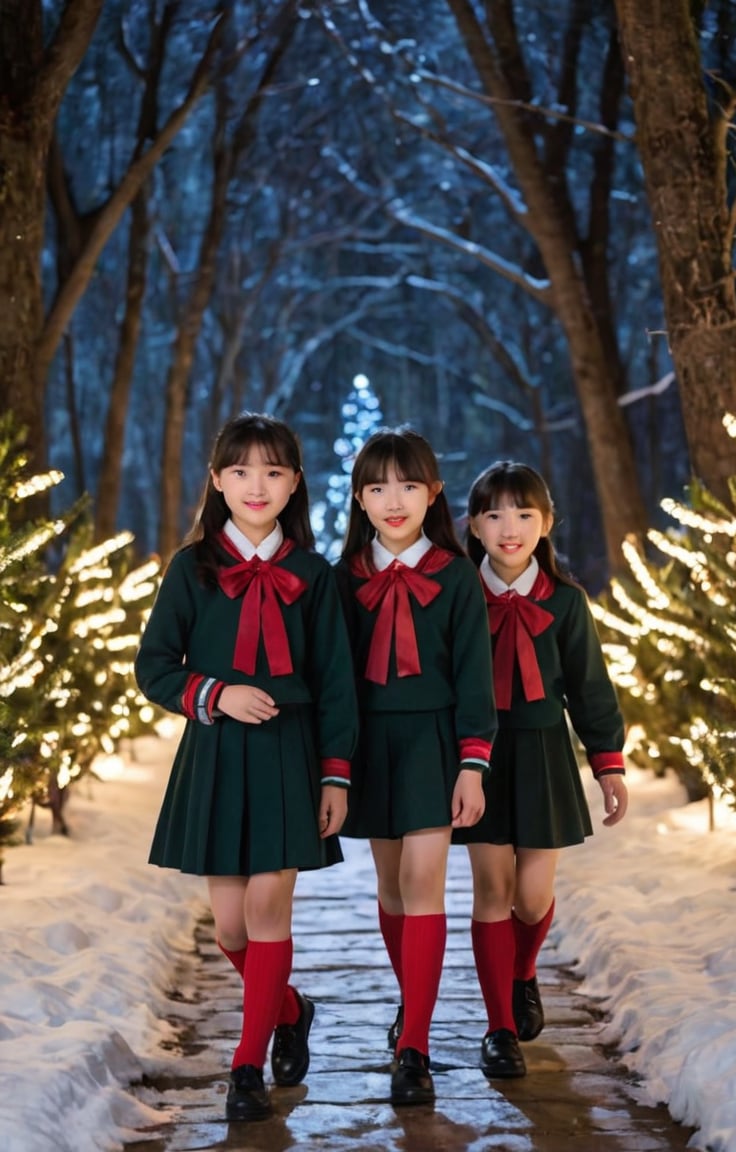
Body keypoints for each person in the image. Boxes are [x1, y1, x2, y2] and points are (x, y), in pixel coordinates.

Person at [135, 413, 357, 1122]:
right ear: (217, 481)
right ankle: (291, 1010)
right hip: (218, 756)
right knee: (230, 928)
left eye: (272, 471)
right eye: (240, 471)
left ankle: (246, 1067)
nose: (255, 485)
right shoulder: (190, 568)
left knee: (267, 910)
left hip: (290, 758)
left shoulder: (313, 575)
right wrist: (215, 692)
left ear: (294, 482)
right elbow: (154, 667)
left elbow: (336, 684)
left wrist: (335, 774)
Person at [335, 428, 497, 1107]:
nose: (393, 500)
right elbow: (335, 679)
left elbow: (474, 677)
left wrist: (472, 764)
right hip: (372, 745)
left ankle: (416, 1047)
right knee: (393, 887)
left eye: (407, 485)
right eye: (377, 488)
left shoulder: (456, 576)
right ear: (360, 500)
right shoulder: (345, 579)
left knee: (425, 879)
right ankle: (412, 1002)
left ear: (433, 493)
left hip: (435, 744)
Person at [452, 461, 629, 1080]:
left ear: (546, 522)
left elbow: (590, 688)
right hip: (480, 756)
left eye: (525, 514)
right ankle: (499, 1025)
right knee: (492, 892)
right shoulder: (457, 594)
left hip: (544, 752)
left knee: (531, 897)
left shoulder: (565, 601)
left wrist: (608, 764)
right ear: (473, 525)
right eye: (494, 514)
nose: (510, 528)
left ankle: (524, 971)